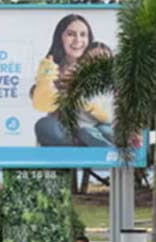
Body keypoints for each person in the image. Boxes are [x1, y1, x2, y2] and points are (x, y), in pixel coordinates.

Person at [32, 14, 94, 146]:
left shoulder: (97, 66)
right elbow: (40, 100)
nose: (78, 40)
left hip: (92, 130)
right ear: (60, 38)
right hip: (62, 133)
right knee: (45, 126)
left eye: (83, 35)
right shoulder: (50, 67)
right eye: (71, 34)